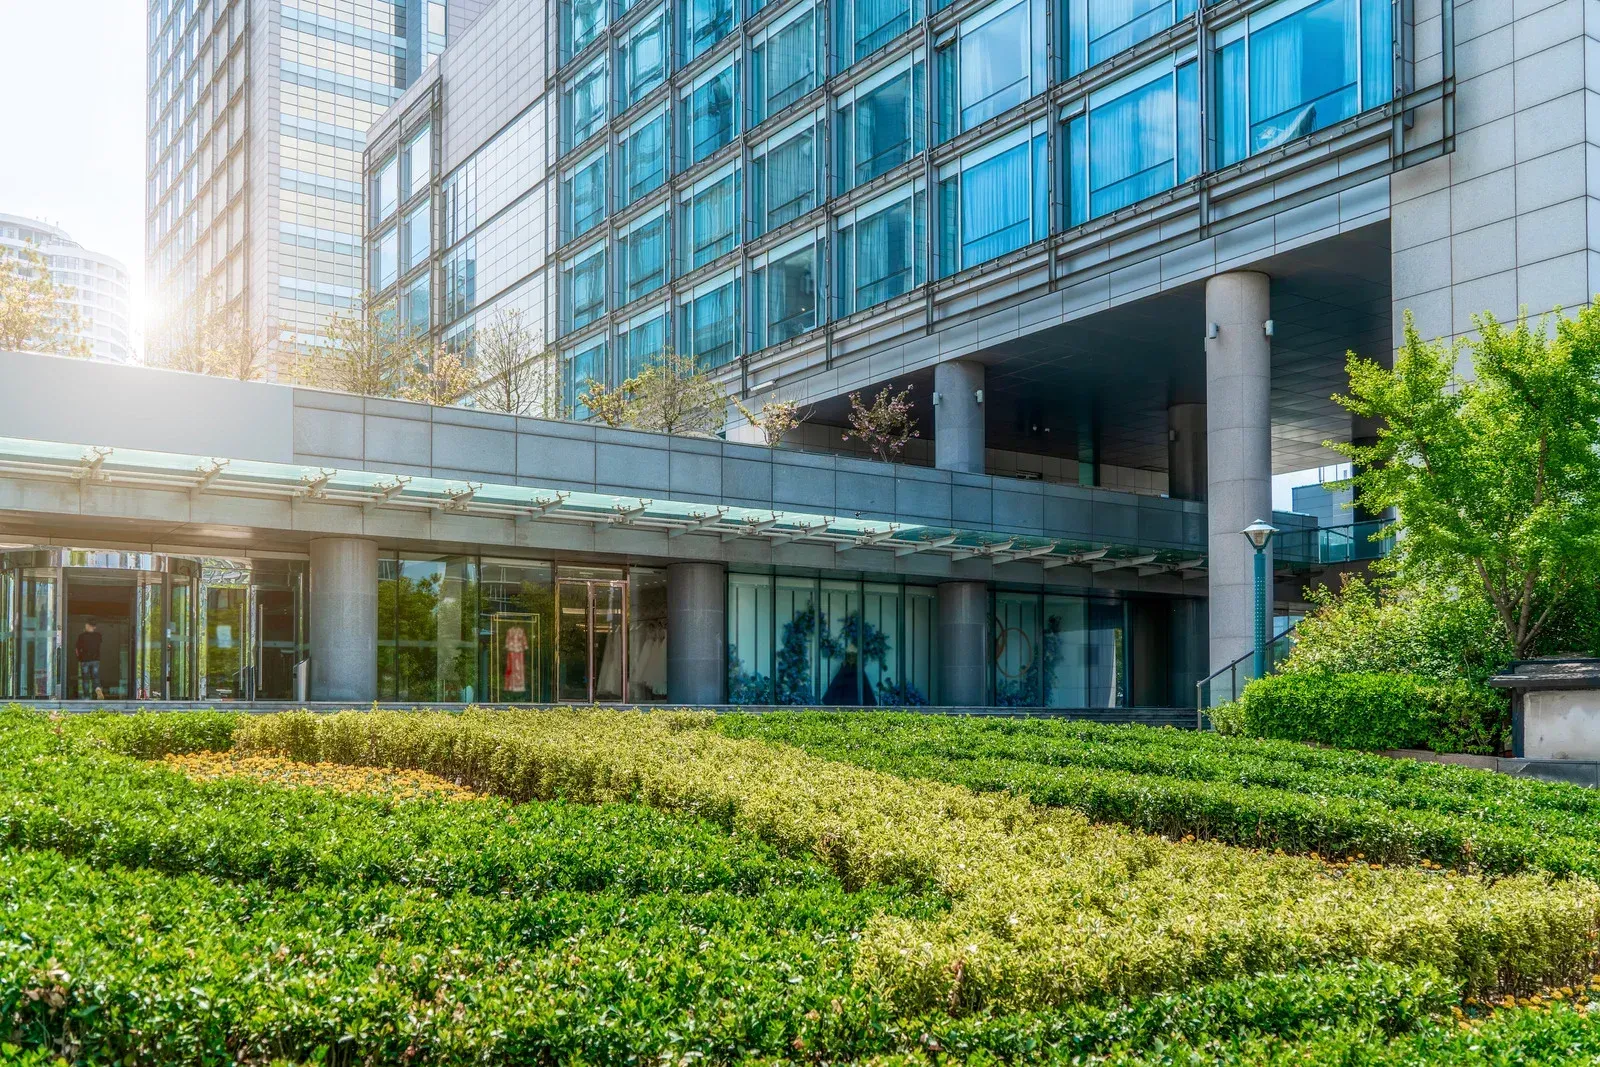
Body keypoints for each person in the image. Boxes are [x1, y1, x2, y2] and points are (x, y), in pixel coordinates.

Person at [76, 620, 104, 700]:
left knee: (85, 679)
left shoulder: (82, 636)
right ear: (94, 627)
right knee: (95, 677)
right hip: (95, 660)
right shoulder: (98, 636)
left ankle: (87, 696)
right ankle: (98, 689)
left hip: (84, 660)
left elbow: (77, 648)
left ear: (88, 626)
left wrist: (79, 658)